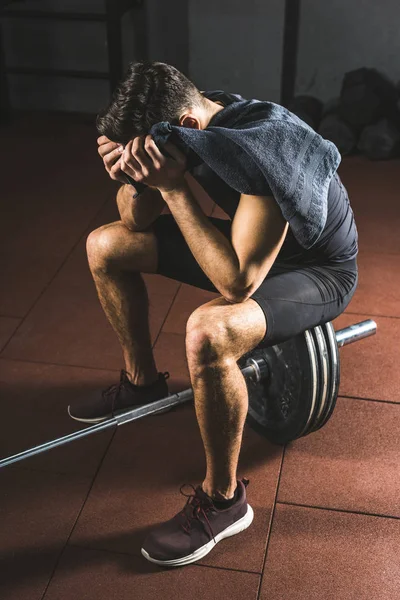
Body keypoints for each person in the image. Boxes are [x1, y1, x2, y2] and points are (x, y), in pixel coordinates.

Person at [68, 61, 358, 567]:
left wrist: (174, 188)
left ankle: (224, 501)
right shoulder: (191, 127)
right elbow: (132, 220)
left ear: (187, 127)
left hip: (316, 271)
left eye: (147, 152)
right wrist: (137, 178)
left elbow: (237, 283)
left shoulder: (266, 149)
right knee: (105, 246)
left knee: (209, 330)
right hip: (253, 243)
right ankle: (142, 384)